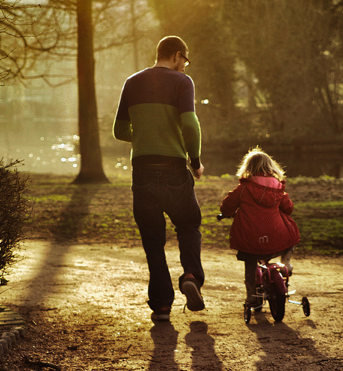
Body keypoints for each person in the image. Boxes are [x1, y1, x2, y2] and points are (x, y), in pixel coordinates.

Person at [113, 36, 205, 321]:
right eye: (185, 61)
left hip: (142, 171)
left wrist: (144, 134)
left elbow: (119, 130)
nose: (185, 67)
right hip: (174, 169)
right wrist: (196, 161)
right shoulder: (182, 82)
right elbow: (190, 123)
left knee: (153, 240)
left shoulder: (132, 82)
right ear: (177, 55)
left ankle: (162, 305)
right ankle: (190, 275)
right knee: (188, 224)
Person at [219, 146, 300, 305]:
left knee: (250, 263)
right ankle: (287, 260)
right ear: (270, 166)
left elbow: (226, 207)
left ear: (248, 168)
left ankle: (251, 296)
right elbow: (289, 209)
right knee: (291, 229)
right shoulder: (278, 187)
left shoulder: (243, 189)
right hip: (276, 239)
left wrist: (227, 213)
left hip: (251, 240)